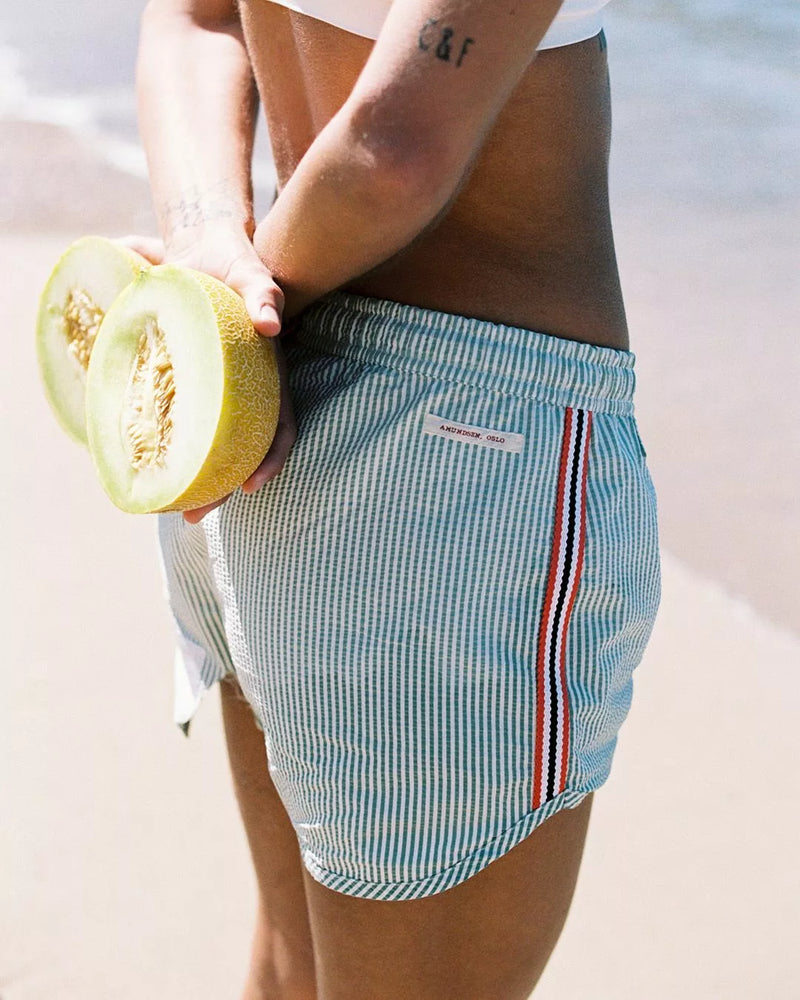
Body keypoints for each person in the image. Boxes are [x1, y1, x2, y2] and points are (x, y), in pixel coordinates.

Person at [130, 0, 661, 997]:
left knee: (291, 967)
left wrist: (215, 271)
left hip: (251, 381)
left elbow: (196, 22)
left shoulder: (237, 311)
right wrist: (251, 297)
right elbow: (395, 149)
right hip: (455, 451)